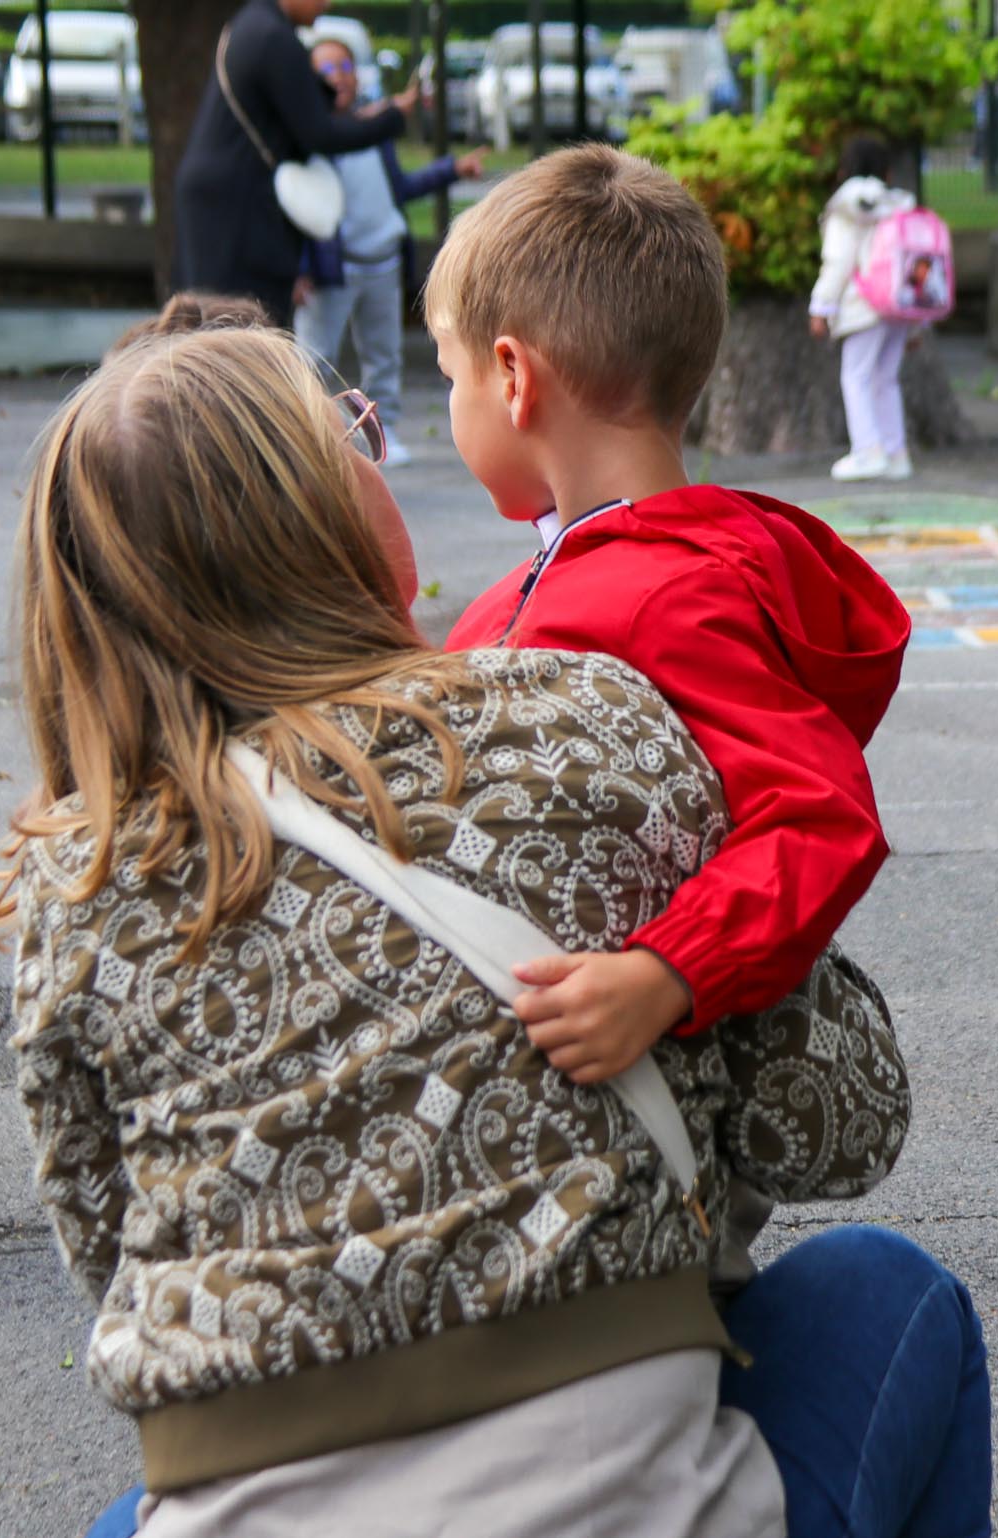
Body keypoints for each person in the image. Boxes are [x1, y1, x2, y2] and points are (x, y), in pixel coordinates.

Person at [0, 321, 989, 1537]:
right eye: (347, 431)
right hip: (615, 1497)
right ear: (318, 513)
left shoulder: (79, 881)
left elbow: (115, 1251)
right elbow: (841, 1116)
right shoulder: (581, 721)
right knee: (883, 1287)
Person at [433, 145, 912, 1086]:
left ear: (513, 377)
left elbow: (819, 814)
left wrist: (666, 973)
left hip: (619, 1078)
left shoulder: (669, 598)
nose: (452, 402)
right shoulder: (560, 584)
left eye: (452, 377)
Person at [292, 32, 483, 468]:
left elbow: (398, 187)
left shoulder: (372, 132)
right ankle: (307, 436)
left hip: (382, 261)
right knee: (314, 358)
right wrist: (299, 270)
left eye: (346, 66)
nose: (339, 77)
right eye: (327, 68)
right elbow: (298, 210)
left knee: (384, 356)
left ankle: (384, 431)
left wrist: (451, 170)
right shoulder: (308, 138)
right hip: (332, 271)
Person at [174, 0, 418, 325]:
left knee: (217, 323)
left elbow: (303, 116)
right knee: (244, 327)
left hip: (219, 202)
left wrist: (367, 117)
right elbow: (319, 133)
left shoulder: (252, 24)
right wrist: (392, 118)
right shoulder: (273, 36)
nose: (327, 4)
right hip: (241, 213)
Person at [809, 136, 918, 482]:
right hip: (899, 306)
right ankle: (895, 454)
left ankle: (867, 451)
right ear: (886, 171)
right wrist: (918, 324)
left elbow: (839, 261)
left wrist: (821, 306)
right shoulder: (898, 205)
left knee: (855, 376)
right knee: (886, 378)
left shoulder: (847, 207)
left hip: (864, 304)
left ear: (846, 168)